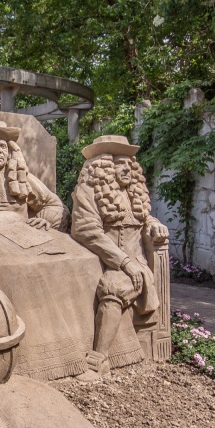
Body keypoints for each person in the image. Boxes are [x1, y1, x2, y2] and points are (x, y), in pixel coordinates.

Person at [71, 135, 169, 380]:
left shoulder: (134, 193)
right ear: (105, 168)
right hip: (100, 258)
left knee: (114, 287)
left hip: (136, 263)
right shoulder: (88, 191)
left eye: (129, 164)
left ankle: (99, 361)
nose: (126, 169)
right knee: (107, 282)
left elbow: (143, 219)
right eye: (119, 164)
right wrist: (123, 262)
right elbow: (86, 230)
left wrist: (154, 224)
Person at [0, 120, 69, 231]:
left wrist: (45, 219)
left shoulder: (21, 178)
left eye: (3, 146)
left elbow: (55, 204)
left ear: (9, 152)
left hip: (21, 235)